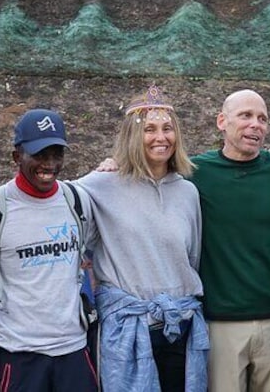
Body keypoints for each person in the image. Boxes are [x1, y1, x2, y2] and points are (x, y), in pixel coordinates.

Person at [76, 85, 207, 392]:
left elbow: (193, 258)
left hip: (180, 325)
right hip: (130, 328)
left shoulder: (187, 192)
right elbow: (50, 197)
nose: (161, 138)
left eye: (167, 129)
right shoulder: (101, 184)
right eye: (149, 129)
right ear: (133, 136)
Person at [0, 109, 98, 391]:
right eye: (39, 154)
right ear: (17, 156)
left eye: (56, 153)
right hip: (19, 353)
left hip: (73, 349)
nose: (49, 163)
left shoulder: (77, 200)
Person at [190, 89, 270, 392]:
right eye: (245, 116)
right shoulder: (195, 173)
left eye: (262, 119)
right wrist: (112, 165)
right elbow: (145, 173)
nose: (255, 124)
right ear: (221, 121)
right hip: (220, 322)